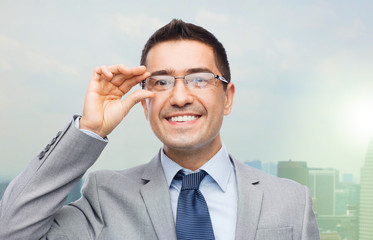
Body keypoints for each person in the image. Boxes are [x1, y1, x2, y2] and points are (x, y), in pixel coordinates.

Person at [0, 19, 320, 240]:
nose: (180, 97)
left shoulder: (291, 201)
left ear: (228, 98)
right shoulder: (105, 196)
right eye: (162, 82)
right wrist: (89, 129)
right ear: (144, 104)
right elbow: (12, 231)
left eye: (199, 79)